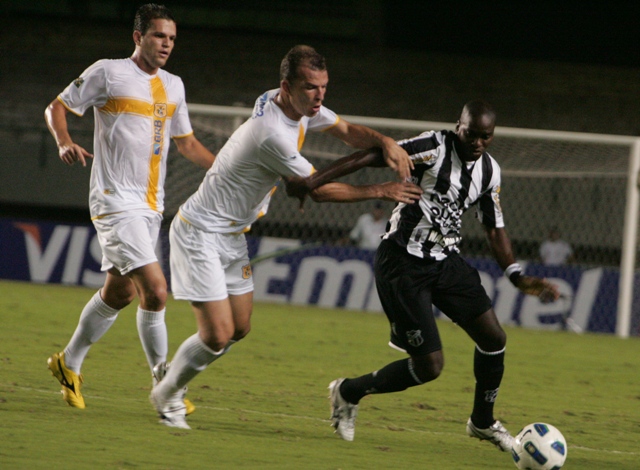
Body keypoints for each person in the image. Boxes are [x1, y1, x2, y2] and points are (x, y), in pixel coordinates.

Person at [149, 44, 423, 429]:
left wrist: (386, 142)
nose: (319, 95)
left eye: (323, 86)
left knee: (240, 328)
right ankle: (167, 394)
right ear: (286, 86)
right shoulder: (271, 133)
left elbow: (345, 130)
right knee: (217, 334)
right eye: (311, 87)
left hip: (232, 236)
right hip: (200, 231)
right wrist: (382, 190)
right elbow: (316, 188)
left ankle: (173, 379)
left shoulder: (290, 105)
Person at [286, 99, 560, 451]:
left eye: (485, 137)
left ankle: (482, 421)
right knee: (429, 367)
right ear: (457, 126)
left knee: (494, 338)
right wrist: (313, 181)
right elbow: (375, 154)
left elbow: (494, 228)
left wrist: (517, 276)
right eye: (471, 133)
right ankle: (347, 392)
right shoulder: (433, 146)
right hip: (402, 264)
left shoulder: (490, 172)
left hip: (446, 261)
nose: (477, 142)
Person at [44, 4, 215, 414]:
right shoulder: (109, 72)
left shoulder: (174, 86)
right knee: (156, 290)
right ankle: (165, 385)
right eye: (159, 36)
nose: (166, 45)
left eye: (172, 38)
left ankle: (68, 363)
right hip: (113, 200)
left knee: (118, 292)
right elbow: (57, 107)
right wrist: (65, 141)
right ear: (137, 37)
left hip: (150, 205)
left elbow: (187, 143)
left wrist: (227, 170)